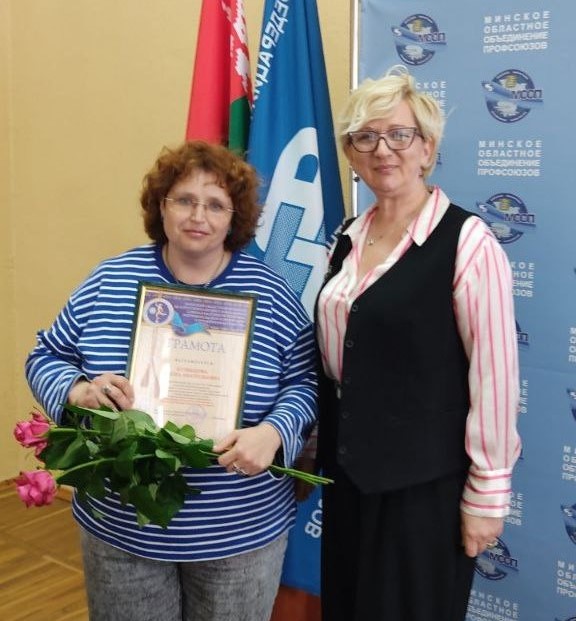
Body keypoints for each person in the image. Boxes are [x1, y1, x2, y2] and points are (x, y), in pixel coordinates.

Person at [25, 140, 317, 621]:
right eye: (184, 199)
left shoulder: (271, 292)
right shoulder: (110, 279)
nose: (198, 216)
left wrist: (274, 432)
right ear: (161, 206)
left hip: (238, 531)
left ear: (235, 218)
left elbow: (306, 381)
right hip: (122, 527)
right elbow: (46, 355)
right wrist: (79, 391)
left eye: (215, 204)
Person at [315, 65, 521, 621]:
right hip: (347, 476)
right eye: (365, 137)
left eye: (399, 134)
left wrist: (487, 495)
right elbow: (338, 360)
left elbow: (495, 379)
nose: (383, 149)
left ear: (427, 148)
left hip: (424, 489)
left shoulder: (469, 242)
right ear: (351, 154)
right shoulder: (346, 238)